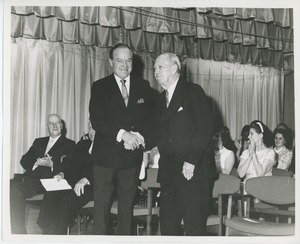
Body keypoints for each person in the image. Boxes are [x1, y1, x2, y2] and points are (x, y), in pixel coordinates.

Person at [89, 43, 155, 235]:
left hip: (131, 157)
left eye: (128, 60)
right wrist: (122, 134)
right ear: (111, 62)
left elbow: (150, 120)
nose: (124, 65)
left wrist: (141, 139)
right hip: (105, 158)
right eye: (119, 60)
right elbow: (97, 120)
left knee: (127, 209)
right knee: (101, 209)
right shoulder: (100, 86)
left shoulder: (143, 86)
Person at [153, 53, 216, 236]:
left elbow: (205, 128)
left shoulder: (192, 91)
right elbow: (156, 132)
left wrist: (191, 160)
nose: (156, 72)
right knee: (167, 229)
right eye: (155, 68)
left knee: (194, 229)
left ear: (174, 69)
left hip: (193, 172)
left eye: (160, 67)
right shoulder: (159, 99)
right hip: (169, 173)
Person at [10, 114, 75, 234]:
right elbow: (24, 160)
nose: (55, 126)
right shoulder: (39, 142)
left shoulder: (69, 144)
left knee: (15, 187)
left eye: (57, 123)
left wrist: (52, 165)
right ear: (48, 127)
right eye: (51, 123)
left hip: (51, 181)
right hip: (33, 180)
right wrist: (36, 163)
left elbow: (71, 167)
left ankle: (44, 232)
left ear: (61, 125)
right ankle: (18, 232)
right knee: (12, 187)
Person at [36, 122, 95, 234]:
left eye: (95, 129)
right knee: (51, 194)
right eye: (90, 128)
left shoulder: (108, 147)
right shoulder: (83, 144)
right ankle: (47, 232)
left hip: (95, 186)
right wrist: (62, 174)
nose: (91, 132)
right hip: (76, 184)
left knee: (66, 201)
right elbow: (72, 166)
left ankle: (57, 235)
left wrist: (87, 179)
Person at [237, 120, 276, 191]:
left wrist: (253, 155)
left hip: (262, 189)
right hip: (247, 188)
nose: (248, 137)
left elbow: (260, 174)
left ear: (261, 135)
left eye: (251, 134)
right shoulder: (246, 152)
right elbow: (240, 174)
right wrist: (250, 156)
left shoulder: (270, 153)